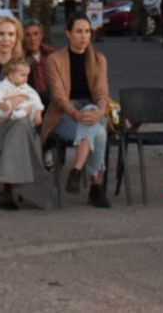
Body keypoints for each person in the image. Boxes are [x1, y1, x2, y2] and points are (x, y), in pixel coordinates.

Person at [0, 16, 51, 210]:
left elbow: (30, 94)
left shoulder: (23, 63)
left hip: (17, 117)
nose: (6, 39)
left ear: (17, 38)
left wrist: (29, 108)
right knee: (18, 130)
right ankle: (6, 186)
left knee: (21, 125)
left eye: (11, 35)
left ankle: (3, 183)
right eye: (1, 34)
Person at [43, 13, 111, 208]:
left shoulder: (98, 59)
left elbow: (102, 91)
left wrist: (100, 110)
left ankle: (77, 170)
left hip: (93, 112)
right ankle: (96, 186)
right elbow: (58, 96)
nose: (83, 36)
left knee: (94, 122)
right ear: (68, 33)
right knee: (98, 132)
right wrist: (76, 114)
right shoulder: (54, 59)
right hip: (64, 114)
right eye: (79, 31)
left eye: (87, 31)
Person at [22, 19, 56, 105]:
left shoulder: (51, 53)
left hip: (52, 100)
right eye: (27, 35)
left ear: (41, 35)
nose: (32, 39)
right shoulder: (19, 57)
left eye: (35, 34)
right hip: (29, 102)